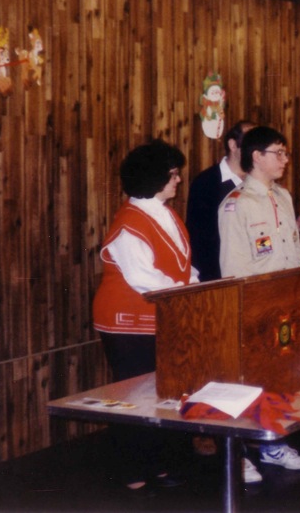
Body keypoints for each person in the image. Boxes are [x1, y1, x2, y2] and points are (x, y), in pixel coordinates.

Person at [92, 139, 198, 490]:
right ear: (153, 177)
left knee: (163, 392)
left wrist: (198, 283)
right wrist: (188, 291)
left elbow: (182, 266)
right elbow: (143, 278)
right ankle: (133, 470)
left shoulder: (165, 213)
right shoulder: (129, 222)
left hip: (163, 315)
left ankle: (160, 462)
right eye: (173, 174)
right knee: (133, 395)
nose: (178, 179)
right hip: (128, 321)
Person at [218, 125, 300, 481]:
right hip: (256, 305)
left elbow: (292, 252)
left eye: (285, 153)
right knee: (249, 380)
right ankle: (241, 452)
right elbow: (233, 266)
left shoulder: (283, 197)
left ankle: (272, 444)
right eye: (279, 153)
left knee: (279, 378)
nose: (285, 159)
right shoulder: (236, 204)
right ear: (256, 156)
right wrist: (246, 311)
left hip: (286, 303)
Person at [186, 120, 255, 282]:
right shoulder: (206, 183)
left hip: (253, 270)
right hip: (219, 275)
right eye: (251, 143)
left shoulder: (257, 180)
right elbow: (200, 240)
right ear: (233, 145)